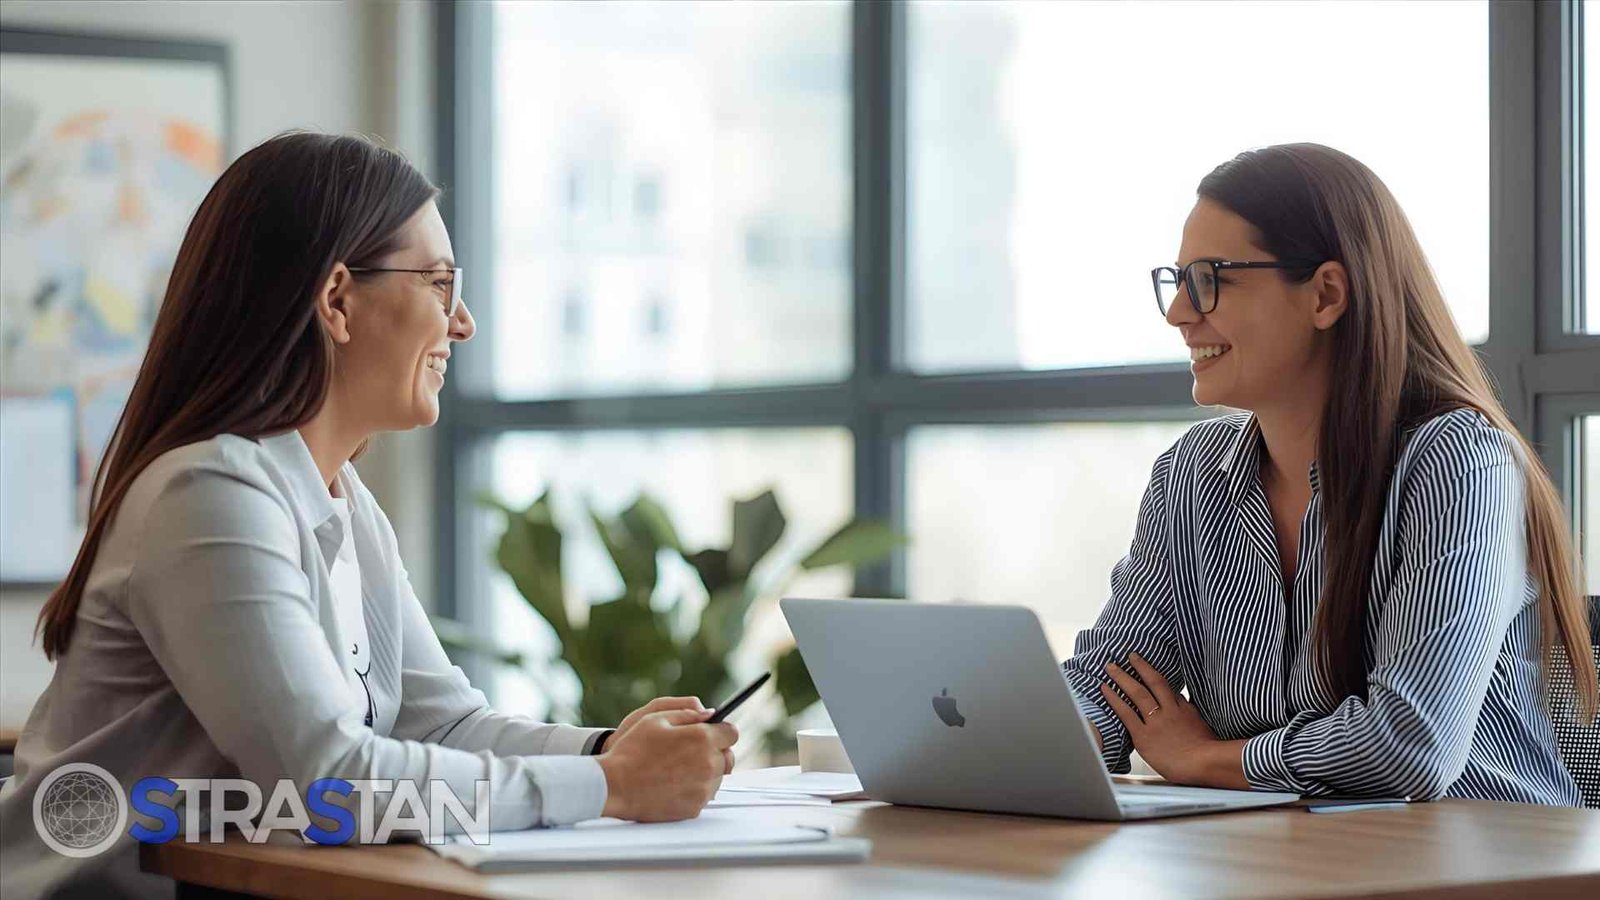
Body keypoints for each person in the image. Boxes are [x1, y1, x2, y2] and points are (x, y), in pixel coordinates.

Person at [0, 132, 736, 900]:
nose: (463, 323)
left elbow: (442, 723)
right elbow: (327, 781)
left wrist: (607, 750)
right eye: (441, 284)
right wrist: (611, 787)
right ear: (338, 302)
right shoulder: (209, 494)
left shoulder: (344, 502)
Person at [1062, 143, 1597, 805]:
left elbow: (1409, 744)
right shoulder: (1189, 480)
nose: (1179, 315)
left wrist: (1206, 759)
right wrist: (1019, 742)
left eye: (1209, 280)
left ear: (1326, 294)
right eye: (1175, 284)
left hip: (1484, 866)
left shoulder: (1457, 462)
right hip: (1291, 859)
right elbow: (1114, 686)